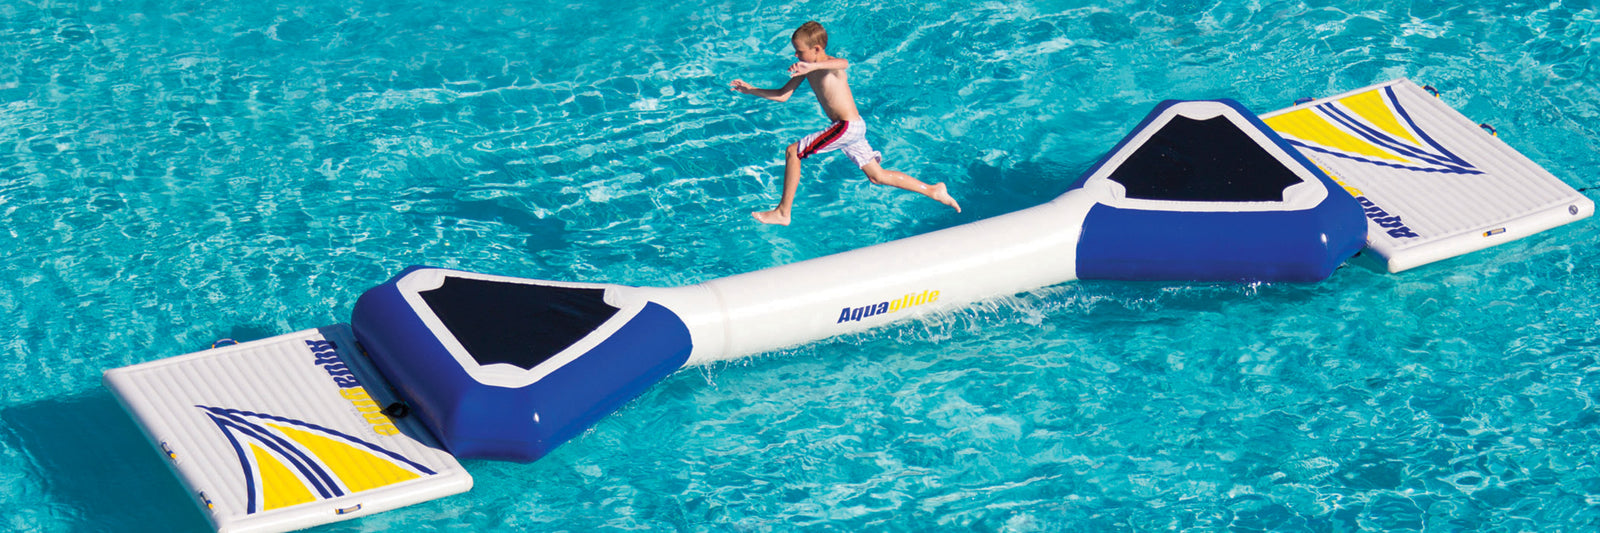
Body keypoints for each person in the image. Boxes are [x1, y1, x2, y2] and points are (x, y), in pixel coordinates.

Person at [730, 21, 961, 226]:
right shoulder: (805, 68)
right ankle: (932, 190)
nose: (797, 56)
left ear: (817, 49)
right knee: (877, 176)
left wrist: (811, 66)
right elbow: (783, 95)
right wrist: (751, 90)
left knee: (793, 152)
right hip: (852, 128)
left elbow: (845, 63)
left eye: (800, 52)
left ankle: (783, 212)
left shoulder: (829, 64)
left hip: (846, 126)